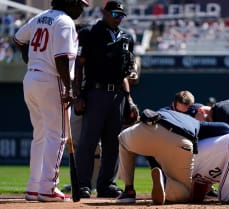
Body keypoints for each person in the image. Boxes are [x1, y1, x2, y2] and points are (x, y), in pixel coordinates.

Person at [13, 0, 89, 202]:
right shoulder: (64, 21)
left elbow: (18, 39)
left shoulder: (40, 17)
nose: (82, 8)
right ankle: (48, 188)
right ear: (69, 2)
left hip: (31, 79)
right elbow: (61, 59)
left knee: (40, 135)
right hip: (51, 79)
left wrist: (31, 57)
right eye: (79, 4)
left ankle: (34, 186)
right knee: (58, 135)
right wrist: (70, 88)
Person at [73, 0, 139, 198]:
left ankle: (106, 184)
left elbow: (127, 71)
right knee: (88, 141)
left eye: (121, 15)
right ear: (105, 13)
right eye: (115, 14)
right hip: (95, 92)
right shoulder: (89, 33)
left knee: (113, 143)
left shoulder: (127, 37)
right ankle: (83, 184)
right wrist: (77, 94)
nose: (118, 18)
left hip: (118, 94)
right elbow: (79, 65)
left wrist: (129, 99)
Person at [115, 108, 200, 205]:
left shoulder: (165, 110)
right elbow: (220, 127)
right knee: (184, 192)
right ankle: (165, 185)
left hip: (147, 129)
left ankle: (128, 191)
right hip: (178, 140)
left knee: (122, 139)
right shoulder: (194, 121)